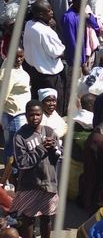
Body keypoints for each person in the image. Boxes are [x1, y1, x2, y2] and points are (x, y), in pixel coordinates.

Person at [12, 100, 62, 238]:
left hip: (48, 183)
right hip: (29, 184)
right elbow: (22, 163)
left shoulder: (49, 131)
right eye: (31, 115)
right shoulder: (20, 136)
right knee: (29, 219)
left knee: (46, 218)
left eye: (38, 115)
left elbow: (58, 156)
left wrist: (53, 148)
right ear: (26, 115)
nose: (35, 118)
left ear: (42, 115)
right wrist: (41, 148)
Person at [22, 0, 66, 114]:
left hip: (34, 71)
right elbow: (58, 52)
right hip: (49, 75)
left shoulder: (29, 24)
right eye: (49, 11)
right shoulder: (45, 31)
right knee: (53, 103)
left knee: (38, 101)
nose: (52, 12)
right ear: (40, 14)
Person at [0, 48, 30, 184]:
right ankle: (11, 178)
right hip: (14, 116)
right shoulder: (9, 73)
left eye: (21, 57)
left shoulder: (13, 67)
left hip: (18, 114)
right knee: (13, 148)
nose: (18, 60)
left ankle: (11, 176)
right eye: (16, 57)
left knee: (12, 147)